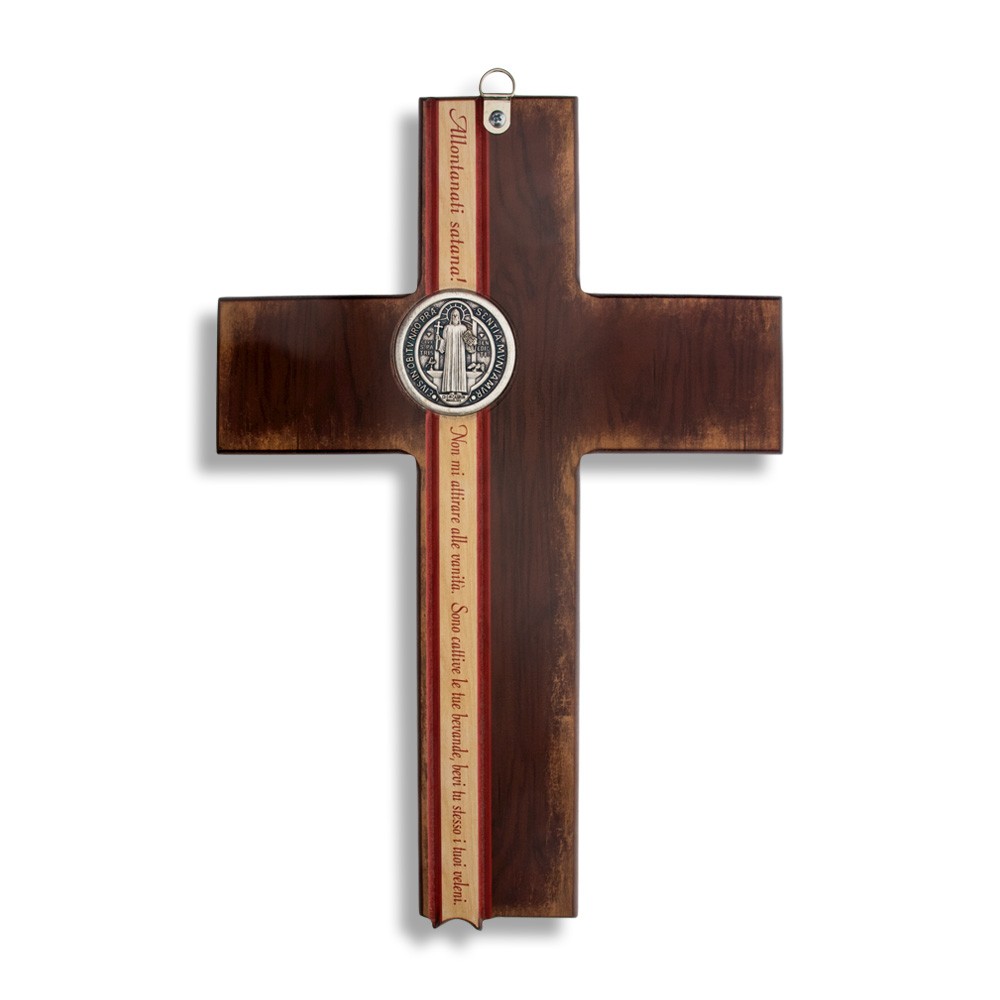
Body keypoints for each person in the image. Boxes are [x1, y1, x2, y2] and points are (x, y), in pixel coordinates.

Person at [437, 307, 472, 396]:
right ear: (451, 317)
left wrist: (472, 343)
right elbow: (444, 341)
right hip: (449, 352)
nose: (455, 317)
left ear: (459, 317)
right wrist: (439, 340)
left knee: (460, 369)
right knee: (450, 368)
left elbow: (468, 341)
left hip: (460, 353)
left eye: (457, 315)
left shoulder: (463, 328)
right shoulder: (447, 328)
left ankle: (460, 390)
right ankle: (450, 390)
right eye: (453, 315)